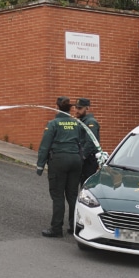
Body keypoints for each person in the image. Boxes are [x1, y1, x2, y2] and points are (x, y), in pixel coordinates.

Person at [36, 96, 83, 237]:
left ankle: (56, 228)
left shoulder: (53, 124)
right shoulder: (77, 123)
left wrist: (40, 165)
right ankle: (74, 226)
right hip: (76, 160)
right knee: (72, 195)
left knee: (58, 196)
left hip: (59, 160)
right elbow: (81, 142)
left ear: (57, 107)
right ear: (70, 108)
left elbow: (45, 146)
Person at [74, 97, 101, 185]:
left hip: (89, 160)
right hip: (83, 158)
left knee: (87, 185)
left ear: (87, 108)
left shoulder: (91, 122)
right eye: (76, 108)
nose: (77, 110)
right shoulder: (81, 121)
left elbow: (90, 142)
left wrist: (82, 157)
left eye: (80, 108)